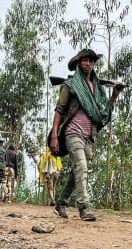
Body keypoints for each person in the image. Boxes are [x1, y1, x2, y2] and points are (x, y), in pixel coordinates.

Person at [49, 48, 124, 221]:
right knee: (81, 168)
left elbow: (104, 112)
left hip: (89, 136)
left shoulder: (98, 88)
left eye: (91, 61)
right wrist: (54, 135)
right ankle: (83, 208)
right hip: (72, 132)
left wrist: (114, 95)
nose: (88, 64)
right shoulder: (71, 86)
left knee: (78, 172)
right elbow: (59, 111)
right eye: (85, 60)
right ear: (78, 63)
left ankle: (61, 202)